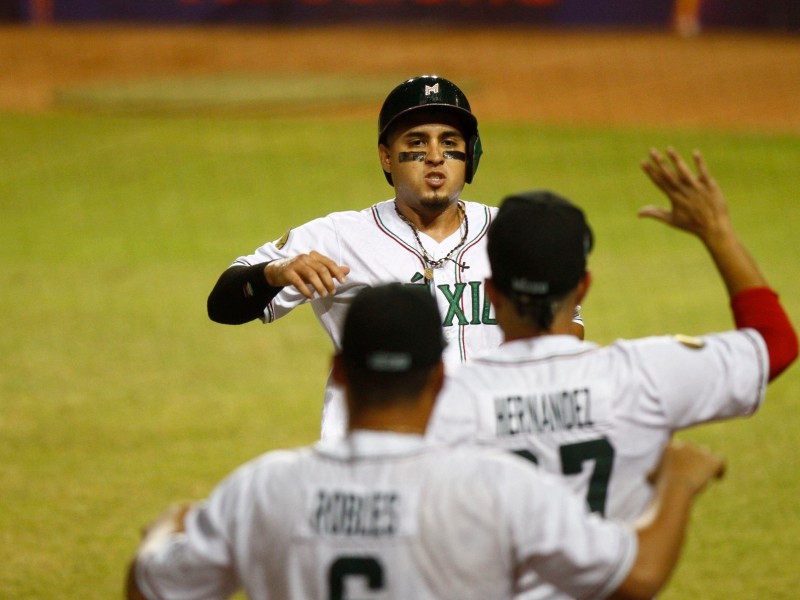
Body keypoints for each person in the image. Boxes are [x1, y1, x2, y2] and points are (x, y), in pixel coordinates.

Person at [128, 283, 725, 600]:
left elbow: (151, 589)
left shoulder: (260, 488)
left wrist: (165, 531)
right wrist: (677, 481)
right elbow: (639, 576)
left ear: (339, 372)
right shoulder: (495, 487)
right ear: (441, 377)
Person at [427, 147, 798, 522]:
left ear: (491, 292)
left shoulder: (445, 402)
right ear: (584, 287)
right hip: (616, 581)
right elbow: (776, 344)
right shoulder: (643, 378)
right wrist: (716, 231)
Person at [206, 74, 584, 441]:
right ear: (387, 158)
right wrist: (275, 272)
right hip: (374, 464)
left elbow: (570, 329)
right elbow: (223, 304)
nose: (435, 156)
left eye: (449, 141)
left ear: (470, 155)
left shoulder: (510, 233)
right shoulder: (341, 237)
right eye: (417, 142)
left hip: (487, 462)